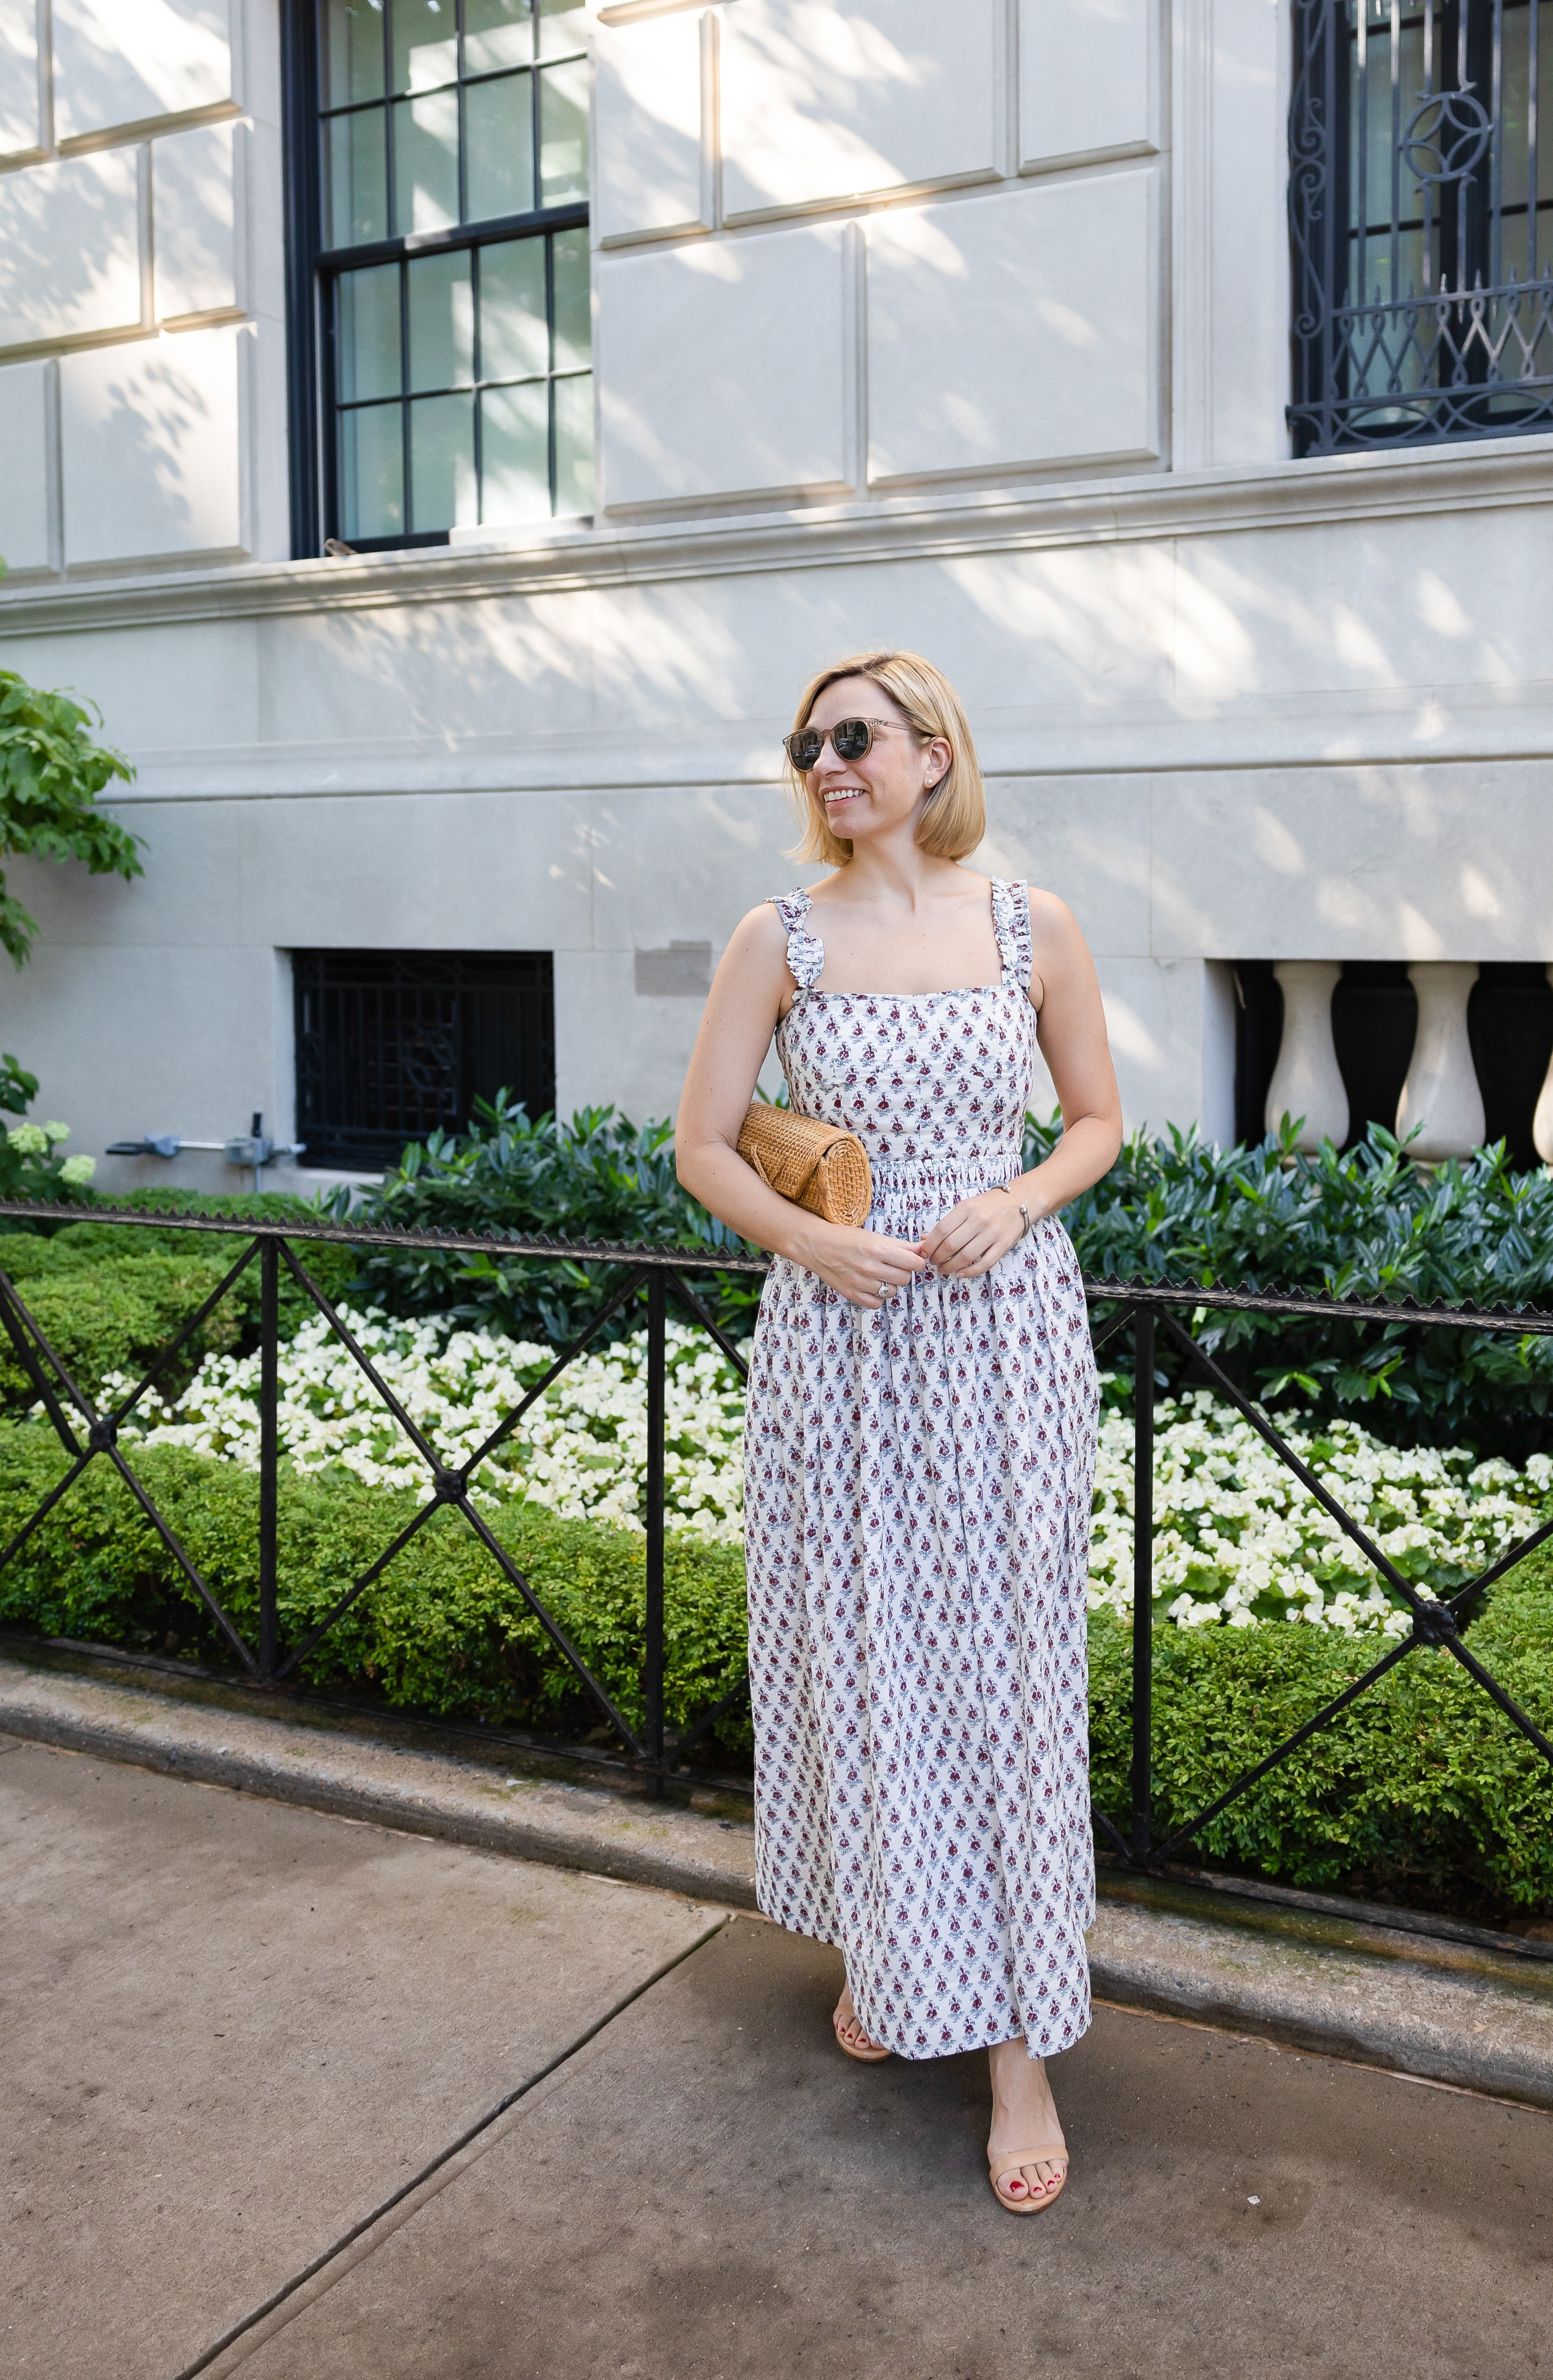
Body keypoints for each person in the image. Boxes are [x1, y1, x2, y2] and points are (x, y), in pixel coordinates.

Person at [675, 650, 1123, 2214]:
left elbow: (1096, 1122)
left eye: (852, 736)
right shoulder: (775, 933)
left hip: (1003, 1342)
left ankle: (1014, 2047)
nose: (825, 762)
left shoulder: (1030, 924)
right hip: (842, 1344)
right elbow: (703, 1147)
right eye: (807, 742)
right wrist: (810, 1244)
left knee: (1000, 1677)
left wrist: (1011, 1196)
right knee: (862, 1658)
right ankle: (889, 1942)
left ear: (934, 751)